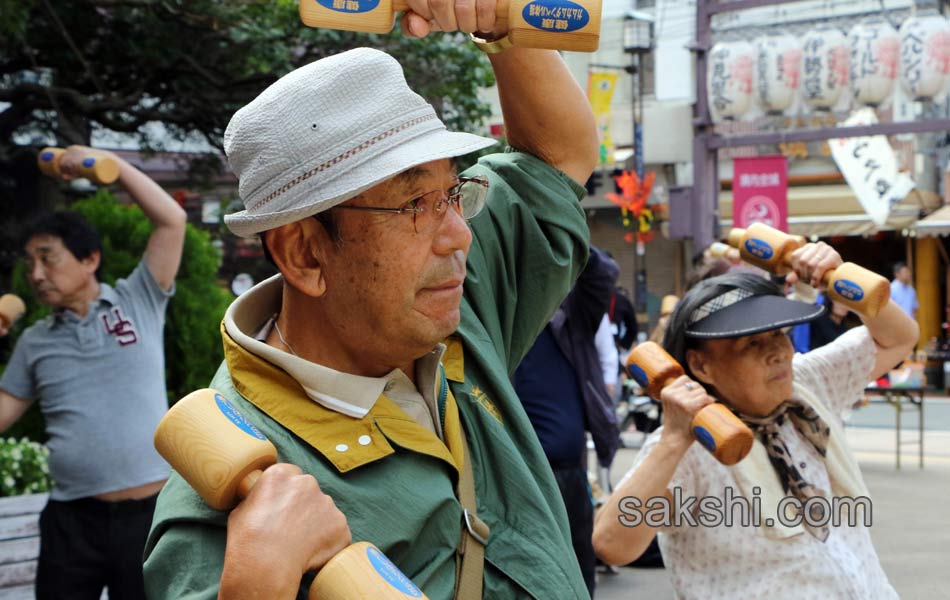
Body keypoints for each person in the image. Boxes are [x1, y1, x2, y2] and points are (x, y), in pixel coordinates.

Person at [143, 19, 599, 600]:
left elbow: (557, 157)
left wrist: (501, 22)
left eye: (453, 193)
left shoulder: (446, 305)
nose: (459, 235)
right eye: (414, 203)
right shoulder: (228, 509)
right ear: (305, 253)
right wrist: (258, 583)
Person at [592, 241, 918, 599]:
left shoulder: (806, 382)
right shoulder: (688, 446)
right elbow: (612, 544)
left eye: (779, 333)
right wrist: (671, 442)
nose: (778, 352)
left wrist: (835, 278)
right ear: (702, 366)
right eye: (751, 343)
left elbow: (900, 338)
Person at [0, 146, 186, 599]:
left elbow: (172, 221)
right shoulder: (35, 341)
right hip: (71, 522)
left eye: (48, 258)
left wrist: (113, 166)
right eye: (30, 264)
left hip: (149, 517)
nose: (37, 274)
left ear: (90, 260)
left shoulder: (138, 299)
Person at [512, 247, 621, 597]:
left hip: (567, 471)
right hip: (517, 472)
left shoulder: (572, 315)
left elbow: (602, 272)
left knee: (576, 571)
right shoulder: (501, 320)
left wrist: (551, 229)